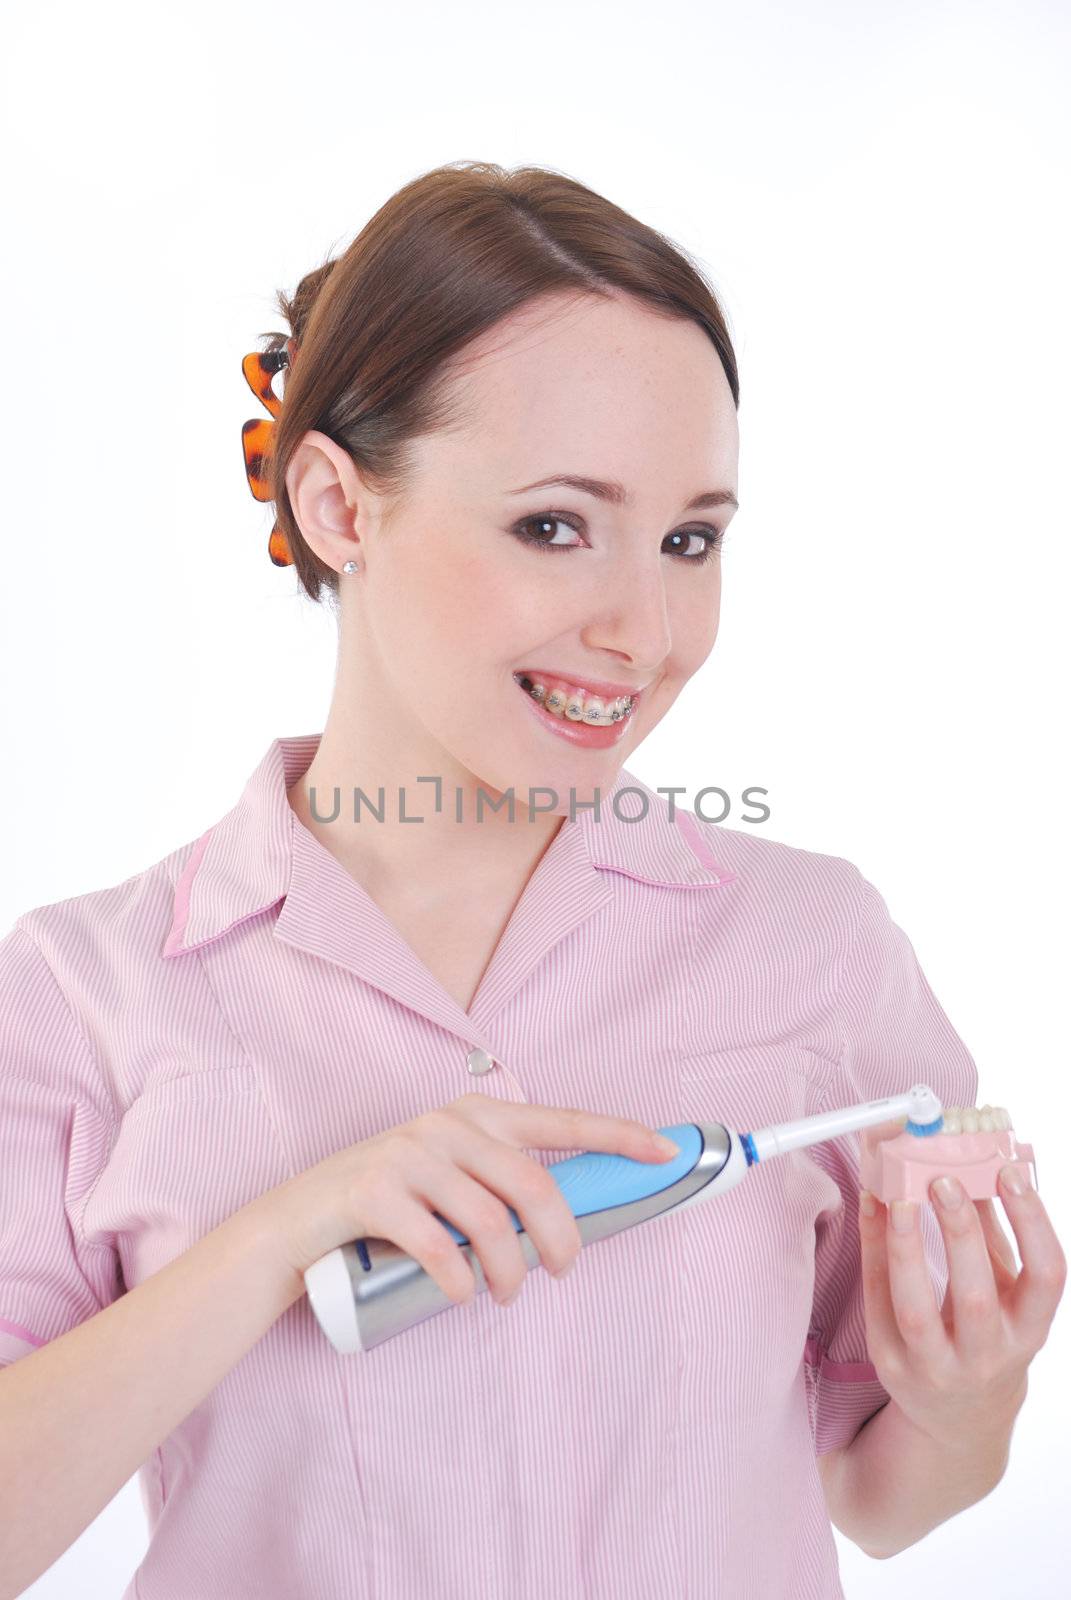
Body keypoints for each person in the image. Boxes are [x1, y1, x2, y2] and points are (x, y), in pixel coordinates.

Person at [0, 160, 1064, 1600]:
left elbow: (881, 1499)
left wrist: (965, 1401)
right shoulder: (85, 995)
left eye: (692, 538)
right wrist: (282, 1234)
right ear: (337, 505)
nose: (646, 628)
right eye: (555, 525)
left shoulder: (816, 947)